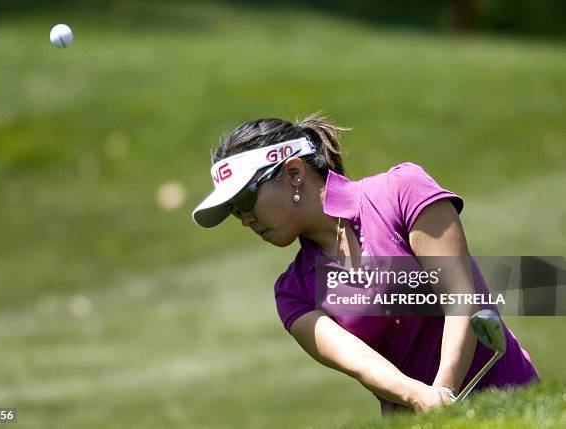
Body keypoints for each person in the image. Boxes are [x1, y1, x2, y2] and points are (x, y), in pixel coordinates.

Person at [191, 113, 539, 415]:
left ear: (295, 172)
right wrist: (426, 402)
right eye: (234, 210)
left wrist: (443, 394)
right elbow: (363, 365)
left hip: (511, 402)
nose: (244, 219)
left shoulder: (402, 191)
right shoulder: (293, 292)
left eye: (246, 199)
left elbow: (461, 299)